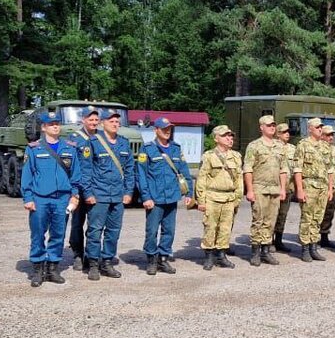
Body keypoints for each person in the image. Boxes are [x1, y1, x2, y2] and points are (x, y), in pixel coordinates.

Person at [21, 111, 82, 287]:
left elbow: (75, 174)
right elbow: (28, 175)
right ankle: (38, 269)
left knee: (58, 234)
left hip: (62, 199)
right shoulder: (34, 148)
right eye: (51, 124)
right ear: (44, 127)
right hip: (40, 198)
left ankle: (53, 268)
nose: (55, 126)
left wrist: (75, 195)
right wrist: (28, 197)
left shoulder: (70, 148)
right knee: (38, 234)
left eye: (57, 123)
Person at [136, 116, 193, 275]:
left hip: (172, 196)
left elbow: (184, 171)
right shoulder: (147, 149)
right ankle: (151, 259)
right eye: (164, 129)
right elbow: (141, 174)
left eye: (169, 129)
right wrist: (146, 197)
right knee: (152, 231)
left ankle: (163, 258)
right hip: (155, 198)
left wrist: (189, 192)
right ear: (156, 130)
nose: (167, 132)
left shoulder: (176, 148)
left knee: (169, 231)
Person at [81, 111, 134, 280]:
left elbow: (130, 170)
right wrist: (88, 193)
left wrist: (128, 192)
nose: (115, 124)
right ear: (103, 123)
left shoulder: (124, 144)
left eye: (117, 121)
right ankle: (93, 264)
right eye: (111, 121)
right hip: (99, 195)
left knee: (113, 232)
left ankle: (107, 262)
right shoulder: (94, 142)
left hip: (118, 196)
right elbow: (86, 170)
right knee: (95, 231)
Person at [243, 115, 288, 267]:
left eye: (273, 125)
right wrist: (249, 190)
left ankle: (266, 251)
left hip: (275, 189)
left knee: (271, 221)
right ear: (261, 127)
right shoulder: (254, 146)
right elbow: (248, 169)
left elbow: (283, 169)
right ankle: (255, 252)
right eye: (269, 125)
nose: (272, 127)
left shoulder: (279, 146)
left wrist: (283, 189)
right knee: (258, 220)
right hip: (259, 188)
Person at [195, 125, 242, 271]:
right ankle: (209, 256)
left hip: (229, 197)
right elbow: (201, 178)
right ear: (216, 138)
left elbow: (239, 179)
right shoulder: (208, 156)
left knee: (226, 228)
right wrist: (201, 200)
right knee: (210, 227)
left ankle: (221, 255)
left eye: (231, 136)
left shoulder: (236, 156)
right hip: (212, 197)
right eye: (225, 136)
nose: (230, 138)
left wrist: (237, 198)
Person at [295, 117, 335, 263]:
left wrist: (330, 189)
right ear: (310, 129)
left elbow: (330, 170)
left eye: (321, 127)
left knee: (318, 218)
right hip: (309, 185)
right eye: (317, 127)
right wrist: (299, 189)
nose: (320, 129)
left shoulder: (325, 147)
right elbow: (297, 169)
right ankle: (305, 248)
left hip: (323, 187)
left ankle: (314, 247)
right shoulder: (303, 145)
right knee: (307, 217)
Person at [68, 108, 100, 269]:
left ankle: (91, 254)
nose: (94, 123)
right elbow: (70, 164)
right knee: (77, 223)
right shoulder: (74, 138)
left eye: (96, 120)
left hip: (97, 188)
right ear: (83, 120)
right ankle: (77, 254)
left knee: (94, 224)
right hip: (80, 187)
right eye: (90, 119)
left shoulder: (101, 138)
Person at [318, 124, 335, 250]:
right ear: (322, 135)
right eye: (328, 135)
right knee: (317, 213)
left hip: (332, 186)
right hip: (319, 186)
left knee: (329, 212)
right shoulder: (317, 148)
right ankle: (312, 239)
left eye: (332, 134)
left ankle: (324, 237)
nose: (331, 137)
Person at [273, 122, 297, 252]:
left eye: (289, 132)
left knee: (283, 215)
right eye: (284, 132)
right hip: (275, 187)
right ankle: (269, 241)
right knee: (272, 215)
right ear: (278, 134)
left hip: (289, 187)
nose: (287, 134)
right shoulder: (273, 147)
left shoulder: (293, 148)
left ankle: (278, 240)